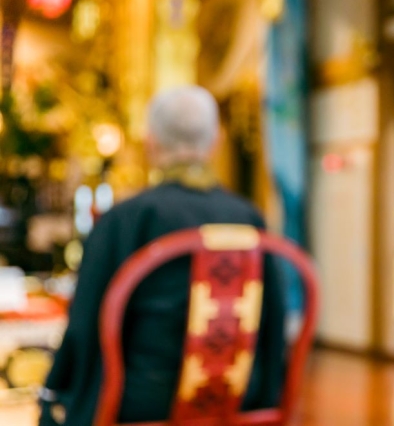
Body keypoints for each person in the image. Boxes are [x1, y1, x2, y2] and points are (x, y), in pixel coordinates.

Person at [39, 86, 285, 425]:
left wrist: (54, 392)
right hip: (239, 393)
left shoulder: (125, 220)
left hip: (142, 401)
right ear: (216, 142)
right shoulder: (249, 219)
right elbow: (273, 321)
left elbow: (85, 325)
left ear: (150, 143)